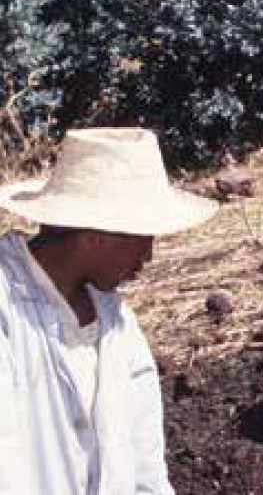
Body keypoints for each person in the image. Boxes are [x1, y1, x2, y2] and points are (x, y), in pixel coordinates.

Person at [0, 128, 218, 494]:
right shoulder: (8, 308)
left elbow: (145, 463)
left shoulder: (116, 323)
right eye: (143, 240)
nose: (148, 257)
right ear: (97, 236)